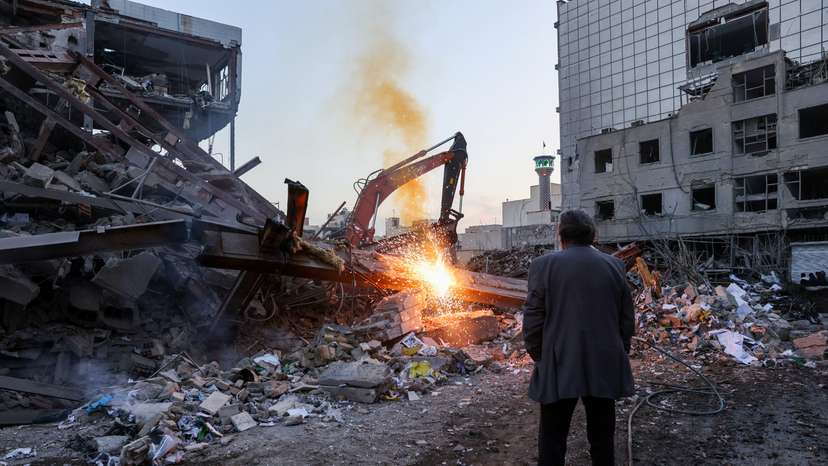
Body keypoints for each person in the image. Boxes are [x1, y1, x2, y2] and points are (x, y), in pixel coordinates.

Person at [523, 209, 634, 466]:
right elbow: (626, 319)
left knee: (552, 437)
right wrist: (618, 351)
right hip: (604, 361)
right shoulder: (615, 266)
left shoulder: (543, 266)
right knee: (602, 436)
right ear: (593, 235)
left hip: (560, 362)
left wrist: (542, 357)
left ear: (560, 234)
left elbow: (532, 321)